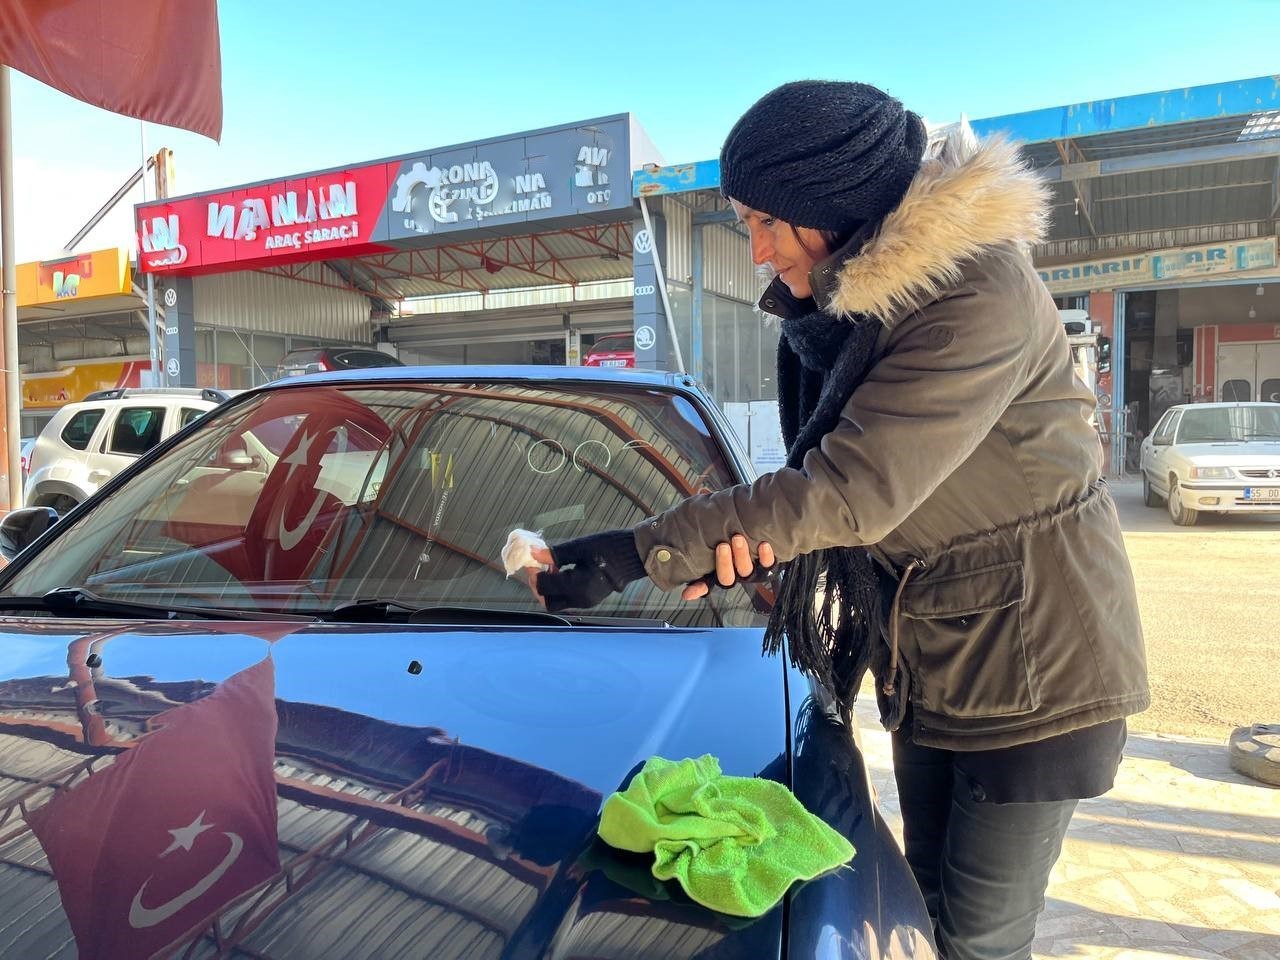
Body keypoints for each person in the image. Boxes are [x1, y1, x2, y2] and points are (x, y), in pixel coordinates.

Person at [526, 81, 1148, 960]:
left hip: (1038, 667)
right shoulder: (854, 311)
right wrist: (743, 554)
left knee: (976, 940)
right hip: (939, 653)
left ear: (834, 205)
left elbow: (848, 489)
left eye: (766, 222)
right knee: (920, 906)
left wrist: (635, 552)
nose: (754, 252)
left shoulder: (977, 296)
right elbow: (826, 501)